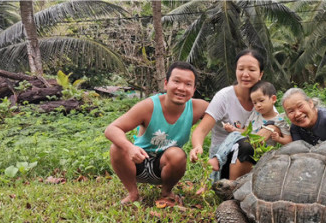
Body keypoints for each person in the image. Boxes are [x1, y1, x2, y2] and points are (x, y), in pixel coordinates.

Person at [105, 61, 209, 204]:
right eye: (176, 81)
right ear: (166, 83)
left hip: (165, 167)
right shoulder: (149, 106)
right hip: (138, 162)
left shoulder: (199, 107)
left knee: (177, 154)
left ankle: (166, 192)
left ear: (194, 88)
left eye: (188, 84)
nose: (181, 88)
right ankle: (133, 193)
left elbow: (223, 112)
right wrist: (130, 148)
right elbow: (112, 129)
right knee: (117, 147)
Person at [189, 49, 268, 180]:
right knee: (246, 144)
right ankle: (232, 192)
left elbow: (276, 122)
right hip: (221, 163)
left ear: (260, 74)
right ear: (235, 71)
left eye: (252, 70)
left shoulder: (264, 98)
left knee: (256, 142)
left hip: (253, 163)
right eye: (241, 69)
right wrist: (197, 147)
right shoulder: (224, 97)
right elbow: (201, 130)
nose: (245, 74)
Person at [208, 80, 292, 172]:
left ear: (273, 99)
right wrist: (233, 129)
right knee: (234, 135)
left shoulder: (279, 121)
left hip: (264, 154)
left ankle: (218, 161)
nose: (258, 105)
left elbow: (289, 141)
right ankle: (218, 159)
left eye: (261, 100)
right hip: (246, 149)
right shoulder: (255, 114)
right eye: (255, 103)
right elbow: (246, 132)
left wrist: (279, 139)